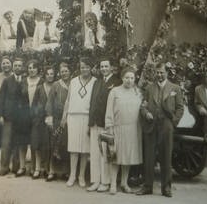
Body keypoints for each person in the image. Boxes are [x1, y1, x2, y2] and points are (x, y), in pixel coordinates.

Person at [138, 62, 184, 197]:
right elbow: (143, 105)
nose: (159, 75)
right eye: (157, 72)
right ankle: (147, 187)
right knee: (149, 158)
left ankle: (166, 188)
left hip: (166, 126)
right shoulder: (149, 88)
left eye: (162, 72)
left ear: (167, 73)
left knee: (166, 157)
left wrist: (173, 122)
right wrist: (146, 113)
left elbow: (180, 108)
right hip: (151, 126)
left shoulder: (175, 88)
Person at [104, 67, 144, 194]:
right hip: (118, 128)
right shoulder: (114, 92)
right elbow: (109, 110)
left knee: (128, 157)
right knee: (115, 157)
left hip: (133, 129)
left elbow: (142, 109)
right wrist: (109, 127)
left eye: (132, 78)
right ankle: (113, 185)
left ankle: (124, 183)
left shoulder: (138, 92)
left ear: (135, 79)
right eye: (127, 77)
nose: (129, 80)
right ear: (122, 78)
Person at [60, 58, 96, 187]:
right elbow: (68, 100)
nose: (84, 69)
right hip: (73, 116)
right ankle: (72, 175)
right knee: (74, 148)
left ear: (91, 68)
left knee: (85, 149)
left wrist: (92, 121)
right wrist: (64, 117)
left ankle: (81, 176)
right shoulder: (74, 81)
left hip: (87, 117)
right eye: (82, 67)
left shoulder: (95, 82)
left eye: (87, 67)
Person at [86, 58, 121, 192]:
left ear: (111, 67)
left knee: (105, 153)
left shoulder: (117, 82)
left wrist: (111, 124)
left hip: (107, 124)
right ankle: (95, 180)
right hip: (95, 122)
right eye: (102, 66)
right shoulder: (97, 82)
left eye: (106, 66)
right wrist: (90, 123)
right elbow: (92, 103)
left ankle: (105, 182)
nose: (104, 69)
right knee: (95, 153)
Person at [0, 58, 27, 176]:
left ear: (22, 67)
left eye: (20, 66)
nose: (18, 68)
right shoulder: (7, 81)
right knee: (6, 143)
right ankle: (4, 167)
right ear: (13, 67)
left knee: (18, 142)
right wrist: (0, 115)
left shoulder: (25, 81)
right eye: (16, 65)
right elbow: (1, 99)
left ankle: (16, 167)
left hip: (21, 118)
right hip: (8, 116)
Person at [45, 62, 71, 181]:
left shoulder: (73, 84)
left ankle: (66, 171)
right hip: (56, 119)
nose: (64, 73)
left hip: (69, 119)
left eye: (66, 71)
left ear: (70, 71)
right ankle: (52, 170)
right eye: (62, 71)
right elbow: (50, 101)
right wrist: (49, 116)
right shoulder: (56, 84)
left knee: (66, 145)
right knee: (53, 143)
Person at [20, 60, 45, 178]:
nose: (31, 70)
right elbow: (19, 98)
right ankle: (22, 166)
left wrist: (38, 115)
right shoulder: (24, 81)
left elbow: (43, 100)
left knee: (36, 142)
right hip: (24, 116)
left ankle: (37, 168)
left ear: (38, 69)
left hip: (37, 117)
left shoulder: (42, 81)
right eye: (29, 68)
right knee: (23, 142)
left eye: (34, 68)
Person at [35, 65, 56, 178]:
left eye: (52, 74)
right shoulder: (40, 87)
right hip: (40, 120)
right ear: (44, 75)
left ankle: (51, 170)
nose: (50, 76)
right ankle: (39, 168)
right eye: (48, 74)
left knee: (51, 145)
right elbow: (35, 104)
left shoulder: (57, 86)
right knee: (39, 144)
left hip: (53, 119)